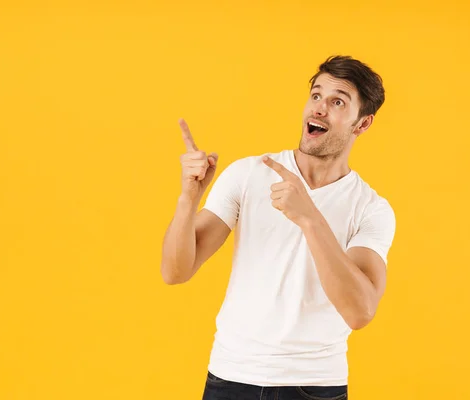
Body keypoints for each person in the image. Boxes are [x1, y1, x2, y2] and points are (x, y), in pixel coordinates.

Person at [161, 55, 396, 400]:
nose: (319, 109)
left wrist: (309, 218)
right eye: (316, 96)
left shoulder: (372, 208)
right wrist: (188, 198)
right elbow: (175, 271)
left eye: (337, 102)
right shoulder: (248, 174)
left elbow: (360, 311)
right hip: (230, 377)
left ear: (362, 124)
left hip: (314, 385)